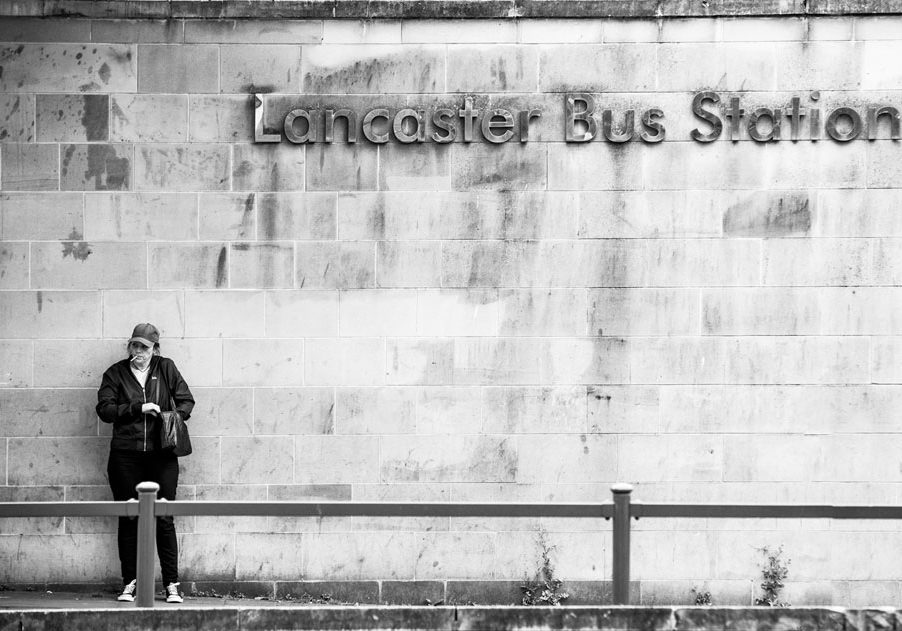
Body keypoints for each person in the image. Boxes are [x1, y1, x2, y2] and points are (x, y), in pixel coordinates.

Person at [96, 323, 195, 604]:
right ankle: (130, 583)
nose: (138, 352)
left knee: (164, 518)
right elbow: (104, 409)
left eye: (145, 347)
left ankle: (171, 585)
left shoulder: (166, 368)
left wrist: (170, 417)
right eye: (135, 346)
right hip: (125, 456)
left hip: (161, 455)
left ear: (155, 349)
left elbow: (187, 401)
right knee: (129, 518)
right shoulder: (115, 373)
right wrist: (137, 408)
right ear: (129, 347)